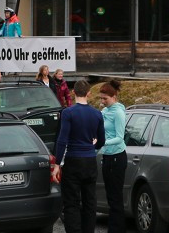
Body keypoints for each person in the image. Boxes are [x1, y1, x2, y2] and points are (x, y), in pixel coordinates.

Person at [54, 79, 104, 233]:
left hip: (73, 160)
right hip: (89, 160)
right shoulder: (97, 114)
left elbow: (62, 140)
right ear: (89, 93)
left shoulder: (68, 113)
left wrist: (56, 164)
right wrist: (91, 146)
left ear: (73, 92)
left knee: (71, 202)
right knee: (90, 201)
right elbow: (101, 140)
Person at [98, 80, 127, 233]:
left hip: (117, 157)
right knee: (110, 197)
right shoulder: (104, 111)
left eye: (105, 99)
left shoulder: (118, 112)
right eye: (101, 98)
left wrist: (102, 142)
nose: (102, 102)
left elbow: (119, 137)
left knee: (115, 198)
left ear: (114, 96)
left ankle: (116, 230)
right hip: (107, 156)